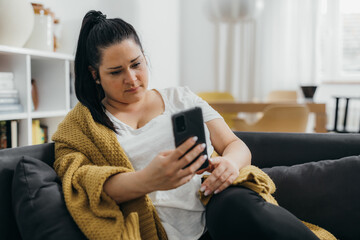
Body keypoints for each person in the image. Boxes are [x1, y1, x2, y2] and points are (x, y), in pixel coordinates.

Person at [52, 10, 322, 240]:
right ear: (94, 75)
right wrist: (147, 180)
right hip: (161, 230)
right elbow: (81, 182)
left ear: (144, 57)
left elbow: (233, 144)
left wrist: (230, 164)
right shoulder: (83, 125)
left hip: (217, 206)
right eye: (116, 72)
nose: (132, 78)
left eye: (137, 64)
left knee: (239, 204)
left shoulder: (179, 98)